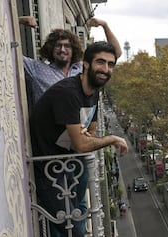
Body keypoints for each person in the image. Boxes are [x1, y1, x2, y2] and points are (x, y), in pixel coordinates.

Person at [30, 41, 128, 236]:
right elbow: (83, 144)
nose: (105, 69)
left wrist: (83, 137)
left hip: (71, 162)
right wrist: (111, 139)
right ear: (86, 64)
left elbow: (90, 131)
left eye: (110, 65)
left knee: (78, 218)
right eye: (100, 62)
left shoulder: (94, 91)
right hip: (50, 169)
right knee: (73, 228)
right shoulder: (68, 92)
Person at [19, 16, 122, 114]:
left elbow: (115, 53)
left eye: (67, 46)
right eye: (58, 46)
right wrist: (19, 20)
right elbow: (8, 52)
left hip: (77, 127)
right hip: (49, 129)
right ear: (51, 48)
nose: (62, 50)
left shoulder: (83, 68)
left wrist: (105, 25)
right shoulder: (37, 69)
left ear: (74, 50)